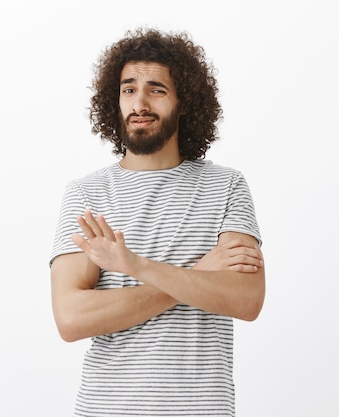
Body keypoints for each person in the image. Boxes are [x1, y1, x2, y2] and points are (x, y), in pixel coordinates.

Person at [49, 27, 265, 417]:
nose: (140, 103)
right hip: (107, 409)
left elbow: (246, 300)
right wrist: (198, 274)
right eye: (129, 89)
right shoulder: (87, 194)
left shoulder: (226, 186)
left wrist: (136, 267)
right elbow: (71, 318)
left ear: (185, 103)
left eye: (157, 89)